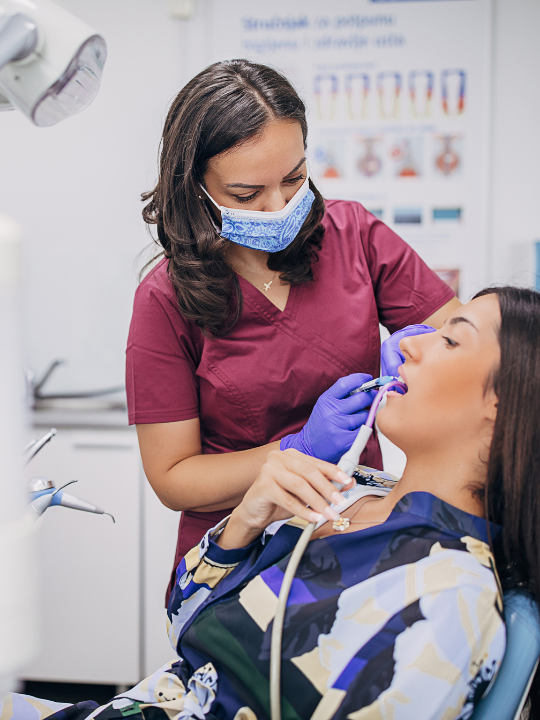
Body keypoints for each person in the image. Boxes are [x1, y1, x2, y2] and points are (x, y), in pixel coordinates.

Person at [8, 285, 540, 720]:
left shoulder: (449, 598)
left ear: (506, 407)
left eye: (450, 341)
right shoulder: (346, 489)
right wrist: (246, 517)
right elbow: (186, 626)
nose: (407, 345)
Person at [126, 58, 460, 601]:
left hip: (357, 523)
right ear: (195, 186)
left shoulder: (353, 236)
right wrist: (295, 449)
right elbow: (173, 477)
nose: (279, 207)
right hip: (241, 551)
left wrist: (434, 347)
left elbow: (475, 343)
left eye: (294, 178)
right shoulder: (164, 301)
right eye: (245, 193)